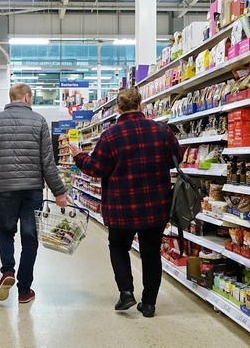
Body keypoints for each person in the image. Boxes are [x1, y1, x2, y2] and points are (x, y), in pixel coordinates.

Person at [69, 87, 180, 318]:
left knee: (118, 247)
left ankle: (126, 292)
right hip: (155, 205)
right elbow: (177, 158)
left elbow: (96, 169)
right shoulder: (161, 130)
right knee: (151, 253)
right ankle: (149, 304)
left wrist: (78, 156)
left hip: (122, 207)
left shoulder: (110, 135)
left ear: (118, 109)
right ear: (141, 105)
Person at [0, 83, 71, 304]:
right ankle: (24, 290)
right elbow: (48, 163)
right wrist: (59, 191)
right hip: (32, 190)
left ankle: (8, 272)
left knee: (5, 232)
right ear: (27, 97)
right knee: (30, 238)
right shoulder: (39, 121)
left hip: (5, 189)